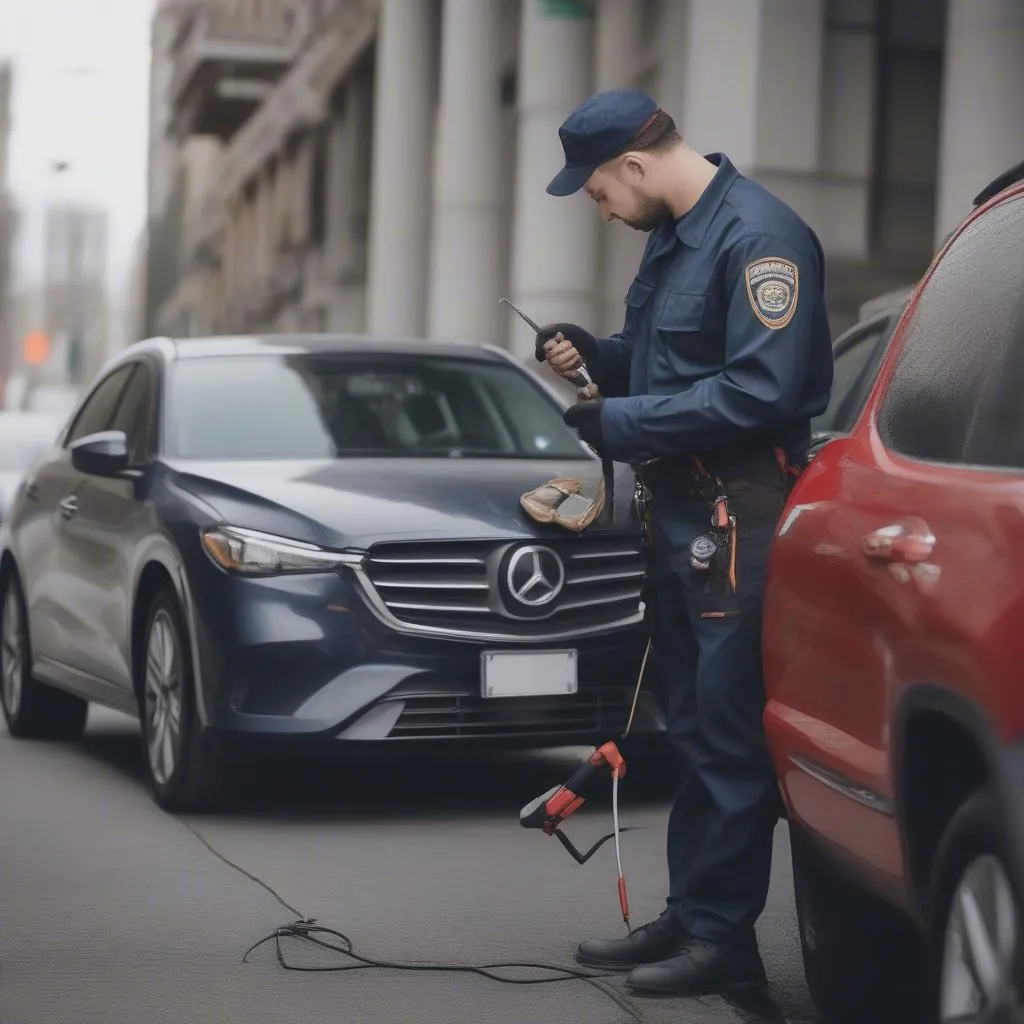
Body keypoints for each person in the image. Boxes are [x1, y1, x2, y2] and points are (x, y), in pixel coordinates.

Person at [535, 88, 834, 998]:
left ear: (634, 164)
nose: (599, 208)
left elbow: (762, 393)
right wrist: (597, 353)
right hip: (684, 513)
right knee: (694, 725)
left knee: (730, 733)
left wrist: (620, 421)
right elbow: (670, 360)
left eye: (596, 193)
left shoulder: (759, 238)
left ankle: (724, 940)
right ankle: (691, 914)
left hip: (737, 508)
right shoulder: (672, 237)